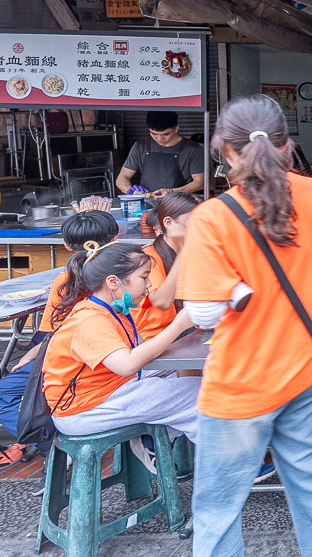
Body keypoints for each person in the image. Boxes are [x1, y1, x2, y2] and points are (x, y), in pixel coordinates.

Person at [175, 95, 312, 557]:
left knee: (218, 507)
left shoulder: (212, 217)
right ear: (287, 146)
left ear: (224, 151)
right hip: (305, 370)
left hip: (239, 386)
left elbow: (204, 315)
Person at [42, 242, 200, 469]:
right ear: (113, 282)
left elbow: (143, 351)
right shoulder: (91, 320)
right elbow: (127, 365)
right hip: (85, 410)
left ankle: (153, 440)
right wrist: (178, 325)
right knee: (199, 394)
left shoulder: (112, 311)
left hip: (106, 392)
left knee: (189, 377)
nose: (150, 284)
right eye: (144, 277)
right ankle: (228, 464)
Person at [0, 211, 119, 463]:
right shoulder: (130, 275)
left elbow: (52, 334)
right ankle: (57, 445)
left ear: (65, 246)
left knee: (7, 393)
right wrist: (34, 353)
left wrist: (34, 355)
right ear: (116, 237)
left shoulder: (65, 282)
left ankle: (54, 444)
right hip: (110, 360)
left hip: (78, 366)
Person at [134, 192, 201, 339]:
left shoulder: (194, 252)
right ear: (169, 222)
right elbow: (161, 301)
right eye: (192, 221)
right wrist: (184, 249)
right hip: (155, 337)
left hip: (182, 331)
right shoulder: (149, 257)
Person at [117, 111, 205, 199]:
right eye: (154, 134)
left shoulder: (193, 149)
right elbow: (122, 177)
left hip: (179, 204)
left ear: (176, 128)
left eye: (166, 134)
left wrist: (172, 192)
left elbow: (200, 182)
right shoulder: (140, 147)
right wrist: (131, 190)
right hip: (147, 203)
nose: (159, 139)